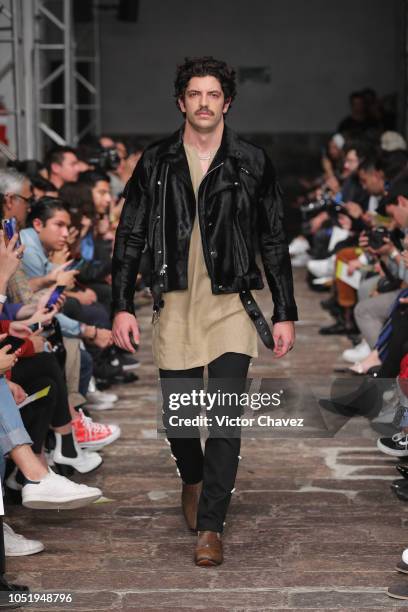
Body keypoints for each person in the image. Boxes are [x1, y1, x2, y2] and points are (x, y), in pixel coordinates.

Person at [111, 56, 298, 567]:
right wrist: (120, 305)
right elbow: (129, 236)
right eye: (195, 94)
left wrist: (284, 310)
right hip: (173, 302)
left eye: (213, 94)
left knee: (223, 417)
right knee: (179, 417)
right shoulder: (156, 160)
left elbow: (274, 240)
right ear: (181, 102)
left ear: (227, 102)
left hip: (231, 304)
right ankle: (192, 478)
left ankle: (212, 526)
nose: (204, 103)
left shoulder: (251, 160)